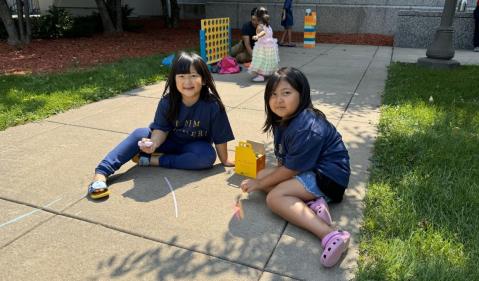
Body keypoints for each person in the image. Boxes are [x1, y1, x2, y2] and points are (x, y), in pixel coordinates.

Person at [240, 67, 351, 267]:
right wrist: (263, 178)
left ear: (302, 94)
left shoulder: (308, 127)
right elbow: (285, 161)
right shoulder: (283, 120)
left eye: (286, 93)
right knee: (264, 172)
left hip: (328, 177)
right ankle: (313, 205)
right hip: (311, 170)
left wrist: (260, 183)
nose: (278, 100)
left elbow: (290, 170)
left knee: (274, 198)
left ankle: (331, 235)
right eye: (273, 94)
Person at [88, 52, 235, 199]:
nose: (187, 81)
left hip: (194, 145)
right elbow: (161, 129)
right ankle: (101, 173)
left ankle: (152, 160)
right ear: (174, 79)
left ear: (203, 80)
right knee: (140, 133)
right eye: (181, 76)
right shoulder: (167, 102)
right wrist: (153, 143)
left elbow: (220, 137)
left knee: (207, 157)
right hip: (167, 142)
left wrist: (225, 160)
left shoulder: (212, 105)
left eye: (193, 76)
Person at [248, 7, 280, 82]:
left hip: (262, 46)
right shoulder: (268, 26)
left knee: (261, 60)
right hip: (270, 46)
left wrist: (257, 36)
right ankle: (272, 73)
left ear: (257, 17)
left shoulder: (260, 26)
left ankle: (261, 75)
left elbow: (263, 33)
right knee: (268, 60)